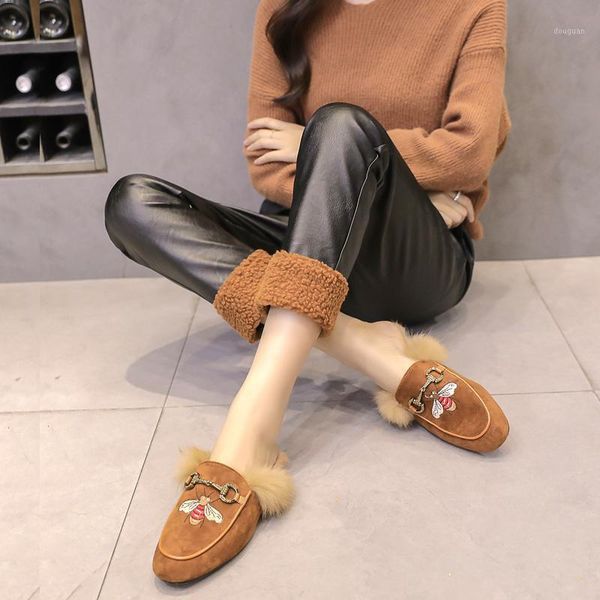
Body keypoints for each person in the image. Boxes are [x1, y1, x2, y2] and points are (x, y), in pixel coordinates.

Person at [104, 0, 512, 584]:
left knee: (341, 125)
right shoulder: (283, 7)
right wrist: (369, 170)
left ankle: (252, 427)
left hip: (415, 259)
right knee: (133, 203)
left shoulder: (474, 6)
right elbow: (265, 166)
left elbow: (470, 149)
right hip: (310, 241)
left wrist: (331, 147)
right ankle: (367, 347)